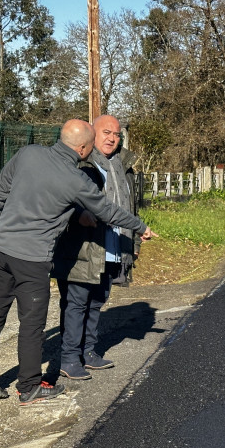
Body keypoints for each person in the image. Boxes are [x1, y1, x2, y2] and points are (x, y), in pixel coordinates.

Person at [0, 119, 157, 406]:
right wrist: (140, 227)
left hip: (1, 249)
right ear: (82, 148)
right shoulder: (76, 180)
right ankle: (30, 386)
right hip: (31, 259)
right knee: (32, 324)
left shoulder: (28, 153)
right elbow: (109, 212)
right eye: (91, 145)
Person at [52, 115, 142, 381]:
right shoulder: (79, 163)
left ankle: (88, 352)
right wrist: (79, 215)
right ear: (92, 133)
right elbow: (61, 200)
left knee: (97, 301)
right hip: (82, 247)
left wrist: (133, 243)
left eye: (116, 134)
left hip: (114, 246)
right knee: (76, 303)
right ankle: (69, 358)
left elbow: (131, 208)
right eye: (106, 132)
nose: (112, 138)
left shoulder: (125, 166)